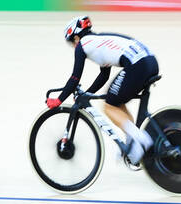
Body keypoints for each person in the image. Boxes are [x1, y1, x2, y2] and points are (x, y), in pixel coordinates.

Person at [49, 15, 165, 168]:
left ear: (76, 37)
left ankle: (141, 139)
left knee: (109, 105)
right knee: (117, 101)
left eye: (72, 42)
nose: (73, 46)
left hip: (137, 65)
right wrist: (86, 95)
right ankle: (133, 146)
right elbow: (104, 76)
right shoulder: (98, 42)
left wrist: (58, 100)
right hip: (149, 62)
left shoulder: (83, 45)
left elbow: (74, 78)